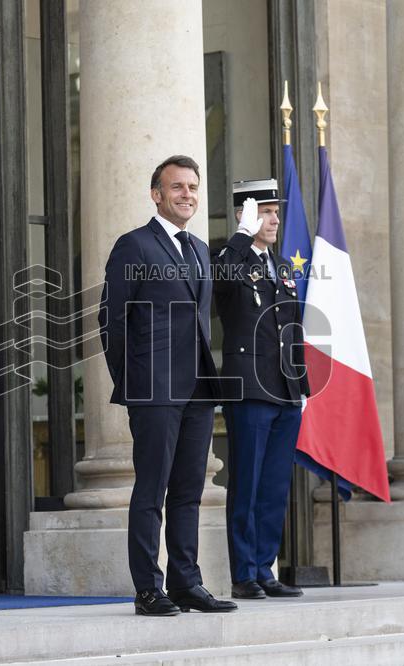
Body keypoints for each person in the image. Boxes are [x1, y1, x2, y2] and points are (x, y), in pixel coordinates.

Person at [99, 154, 235, 616]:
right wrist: (132, 380)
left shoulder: (199, 249)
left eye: (193, 187)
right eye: (177, 187)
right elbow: (112, 321)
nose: (187, 195)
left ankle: (186, 583)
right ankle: (147, 589)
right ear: (157, 194)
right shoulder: (133, 246)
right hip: (153, 389)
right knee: (151, 489)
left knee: (188, 492)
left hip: (197, 388)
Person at [212, 180, 309, 600]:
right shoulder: (228, 257)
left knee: (273, 486)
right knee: (247, 484)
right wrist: (240, 236)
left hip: (285, 390)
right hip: (250, 388)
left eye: (274, 212)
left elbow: (293, 329)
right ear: (243, 214)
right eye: (264, 212)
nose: (273, 220)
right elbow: (218, 286)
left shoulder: (283, 267)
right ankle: (243, 573)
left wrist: (302, 385)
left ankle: (266, 568)